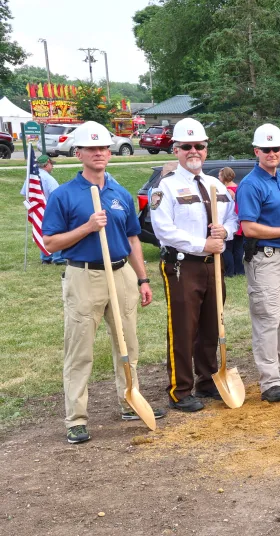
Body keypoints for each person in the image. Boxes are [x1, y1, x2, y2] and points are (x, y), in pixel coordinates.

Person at [42, 121, 165, 444]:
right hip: (84, 275)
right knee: (80, 350)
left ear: (109, 153)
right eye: (92, 149)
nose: (99, 153)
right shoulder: (64, 195)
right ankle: (76, 418)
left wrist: (142, 278)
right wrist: (86, 227)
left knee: (128, 345)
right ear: (79, 153)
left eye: (103, 148)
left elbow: (133, 239)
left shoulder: (120, 193)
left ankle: (129, 401)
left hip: (121, 273)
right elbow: (51, 243)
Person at [150, 118, 239, 412]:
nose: (193, 151)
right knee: (183, 328)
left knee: (212, 324)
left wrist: (224, 232)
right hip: (182, 266)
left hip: (213, 265)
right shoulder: (166, 188)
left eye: (198, 146)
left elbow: (232, 218)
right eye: (186, 146)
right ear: (175, 149)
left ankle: (207, 378)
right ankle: (180, 388)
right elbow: (164, 230)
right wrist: (203, 245)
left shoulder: (215, 184)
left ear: (205, 148)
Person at [236, 123, 280, 403]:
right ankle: (269, 382)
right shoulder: (251, 184)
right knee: (266, 318)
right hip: (264, 258)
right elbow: (249, 227)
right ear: (257, 151)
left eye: (276, 148)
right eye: (267, 149)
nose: (272, 153)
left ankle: (277, 367)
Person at [22, 153, 64, 265]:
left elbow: (25, 193)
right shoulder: (48, 179)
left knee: (42, 232)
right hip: (49, 209)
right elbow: (57, 195)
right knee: (55, 232)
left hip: (36, 209)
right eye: (51, 164)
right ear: (47, 164)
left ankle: (45, 257)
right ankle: (58, 257)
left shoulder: (31, 177)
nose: (52, 167)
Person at [218, 167, 245, 277]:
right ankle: (239, 270)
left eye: (219, 175)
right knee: (238, 248)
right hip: (240, 221)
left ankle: (230, 271)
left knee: (228, 248)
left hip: (232, 221)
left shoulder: (227, 191)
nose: (218, 178)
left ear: (224, 176)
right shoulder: (238, 188)